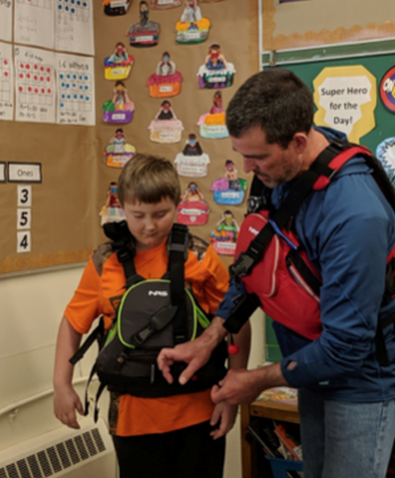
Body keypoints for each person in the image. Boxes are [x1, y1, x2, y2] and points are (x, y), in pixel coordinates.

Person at [157, 68, 395, 478]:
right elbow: (252, 266)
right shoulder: (278, 170)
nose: (245, 168)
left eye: (256, 156)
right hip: (311, 370)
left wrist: (254, 380)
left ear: (298, 141)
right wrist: (210, 338)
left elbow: (346, 347)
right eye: (242, 153)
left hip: (363, 383)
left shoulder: (354, 214)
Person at [53, 154, 251, 478]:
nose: (149, 225)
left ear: (177, 204)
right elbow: (73, 322)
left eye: (161, 214)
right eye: (138, 215)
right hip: (133, 418)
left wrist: (233, 393)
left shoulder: (199, 255)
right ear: (122, 207)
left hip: (201, 411)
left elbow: (235, 321)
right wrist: (61, 382)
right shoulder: (105, 262)